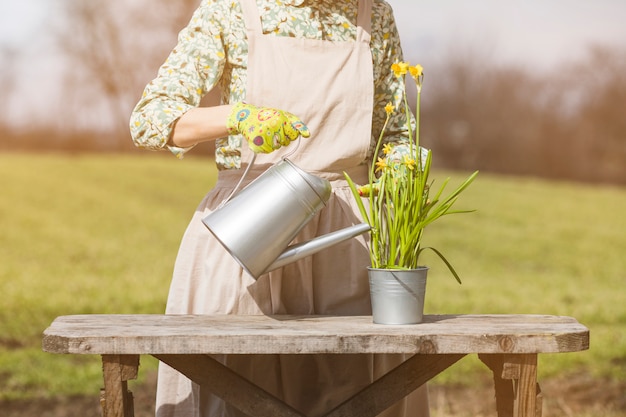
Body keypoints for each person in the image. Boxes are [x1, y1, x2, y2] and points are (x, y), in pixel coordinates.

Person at [130, 0, 430, 416]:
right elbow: (152, 119)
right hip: (247, 233)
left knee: (354, 391)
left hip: (344, 242)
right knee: (232, 388)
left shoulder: (374, 15)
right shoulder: (231, 9)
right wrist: (238, 116)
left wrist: (402, 166)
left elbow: (395, 132)